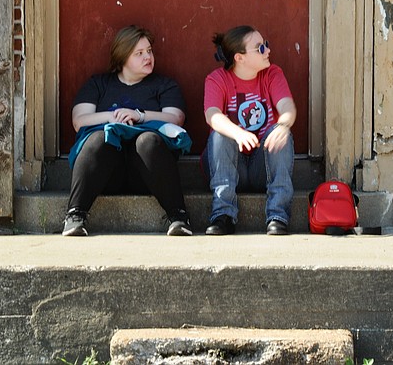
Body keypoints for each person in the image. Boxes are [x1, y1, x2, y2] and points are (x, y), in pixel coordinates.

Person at [63, 25, 193, 237]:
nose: (147, 57)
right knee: (98, 138)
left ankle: (179, 217)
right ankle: (75, 215)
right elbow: (80, 121)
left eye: (149, 51)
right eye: (139, 53)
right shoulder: (98, 84)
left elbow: (176, 118)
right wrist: (114, 117)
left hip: (147, 173)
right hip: (107, 174)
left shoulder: (164, 85)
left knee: (148, 140)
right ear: (122, 56)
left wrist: (139, 115)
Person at [203, 25, 296, 236]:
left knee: (282, 132)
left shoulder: (272, 73)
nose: (268, 50)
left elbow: (286, 107)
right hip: (228, 165)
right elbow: (213, 115)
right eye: (260, 48)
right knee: (220, 133)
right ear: (240, 57)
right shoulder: (217, 79)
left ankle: (277, 216)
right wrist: (238, 132)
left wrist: (284, 124)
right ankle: (223, 215)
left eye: (266, 45)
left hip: (260, 166)